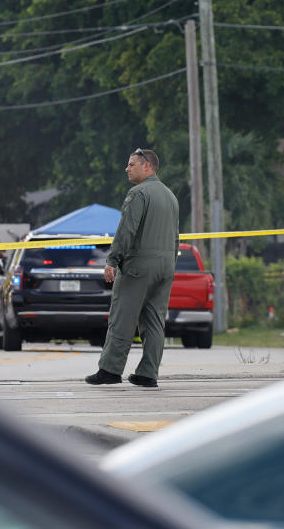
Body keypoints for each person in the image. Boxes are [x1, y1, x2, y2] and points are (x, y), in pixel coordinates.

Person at [85, 148, 179, 388]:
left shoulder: (138, 193)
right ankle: (148, 373)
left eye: (131, 164)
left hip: (139, 265)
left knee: (122, 318)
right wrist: (170, 266)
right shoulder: (170, 196)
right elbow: (176, 237)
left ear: (147, 166)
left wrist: (112, 260)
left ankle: (110, 370)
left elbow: (127, 230)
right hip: (166, 266)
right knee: (155, 321)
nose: (127, 169)